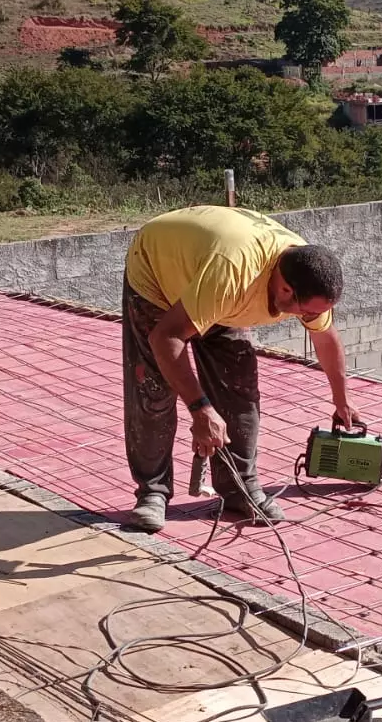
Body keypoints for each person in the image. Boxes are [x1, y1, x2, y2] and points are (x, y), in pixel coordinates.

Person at [122, 206, 358, 533]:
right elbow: (167, 336)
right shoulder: (234, 273)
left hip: (214, 289)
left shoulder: (305, 274)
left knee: (240, 392)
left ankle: (238, 487)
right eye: (306, 312)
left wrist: (341, 399)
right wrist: (201, 409)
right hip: (159, 277)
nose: (308, 318)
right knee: (154, 390)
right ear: (285, 288)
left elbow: (325, 338)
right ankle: (152, 493)